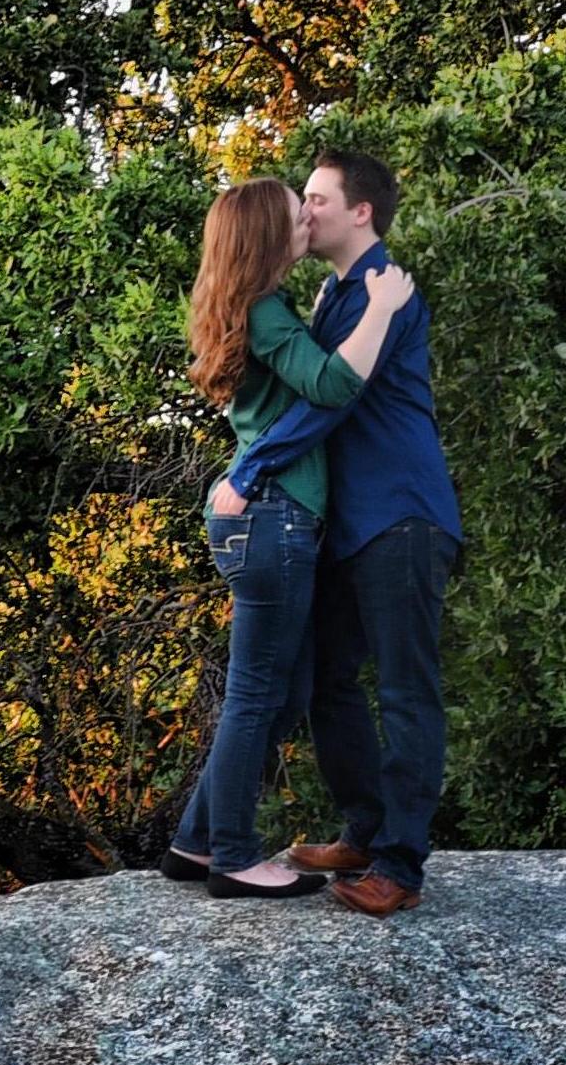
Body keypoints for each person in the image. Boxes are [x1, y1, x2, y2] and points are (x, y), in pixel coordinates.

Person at [218, 150, 461, 918]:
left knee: (404, 689)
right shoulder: (330, 296)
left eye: (318, 199)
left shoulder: (382, 292)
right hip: (351, 524)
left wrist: (249, 472)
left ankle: (399, 864)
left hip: (401, 516)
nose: (306, 211)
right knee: (326, 680)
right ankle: (365, 828)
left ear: (360, 212)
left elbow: (330, 403)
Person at [171, 178, 415, 897]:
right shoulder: (266, 311)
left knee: (285, 691)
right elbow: (335, 386)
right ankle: (234, 856)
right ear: (267, 239)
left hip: (262, 515)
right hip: (273, 516)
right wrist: (380, 307)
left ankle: (193, 840)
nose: (306, 218)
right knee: (255, 694)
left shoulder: (262, 308)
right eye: (292, 213)